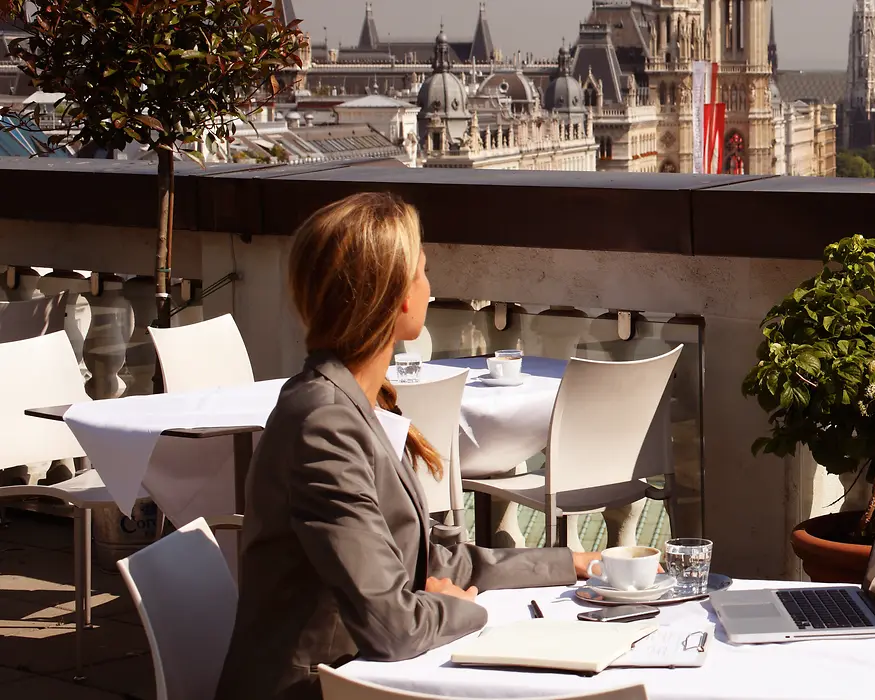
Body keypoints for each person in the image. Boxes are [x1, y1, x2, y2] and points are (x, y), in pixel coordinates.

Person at [216, 193, 601, 700]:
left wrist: (568, 562)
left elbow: (426, 562)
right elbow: (393, 625)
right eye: (422, 271)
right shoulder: (324, 423)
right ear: (395, 295)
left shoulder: (345, 402)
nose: (431, 286)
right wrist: (466, 607)